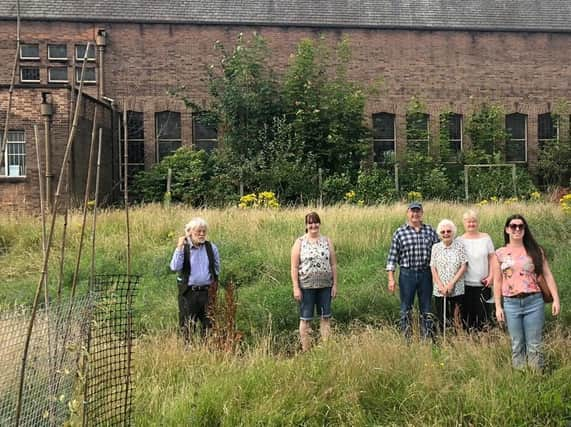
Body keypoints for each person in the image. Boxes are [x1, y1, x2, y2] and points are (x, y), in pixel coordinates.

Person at [492, 214, 561, 370]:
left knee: (534, 343)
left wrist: (556, 299)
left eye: (520, 226)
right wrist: (498, 306)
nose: (517, 229)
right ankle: (521, 378)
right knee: (517, 343)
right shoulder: (500, 253)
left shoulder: (535, 251)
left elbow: (548, 275)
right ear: (507, 229)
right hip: (511, 303)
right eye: (513, 226)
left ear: (524, 229)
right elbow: (497, 281)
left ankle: (536, 377)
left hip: (534, 302)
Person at [386, 202, 440, 339]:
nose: (415, 214)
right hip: (407, 275)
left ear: (422, 213)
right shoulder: (400, 232)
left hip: (426, 274)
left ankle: (427, 337)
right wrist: (391, 279)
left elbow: (439, 253)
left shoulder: (430, 231)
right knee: (406, 307)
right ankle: (407, 337)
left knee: (426, 307)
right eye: (412, 211)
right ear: (407, 213)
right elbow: (392, 257)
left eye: (418, 211)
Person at [291, 212, 338, 352]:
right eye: (310, 223)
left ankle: (326, 348)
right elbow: (293, 267)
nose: (313, 225)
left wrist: (335, 284)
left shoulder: (327, 241)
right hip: (306, 287)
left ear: (319, 224)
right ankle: (306, 350)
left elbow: (334, 264)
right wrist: (296, 288)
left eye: (316, 222)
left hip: (325, 286)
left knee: (325, 317)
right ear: (306, 225)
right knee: (306, 319)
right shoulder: (299, 242)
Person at [170, 217, 220, 342]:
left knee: (209, 325)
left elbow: (217, 268)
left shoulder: (211, 247)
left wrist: (213, 285)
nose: (202, 234)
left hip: (207, 293)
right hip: (188, 293)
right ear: (190, 232)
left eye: (204, 231)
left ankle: (207, 351)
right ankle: (188, 352)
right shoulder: (184, 248)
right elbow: (174, 267)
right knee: (187, 326)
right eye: (199, 231)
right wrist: (179, 247)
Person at [459, 209, 495, 331]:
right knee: (468, 315)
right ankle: (469, 341)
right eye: (468, 222)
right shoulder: (460, 240)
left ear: (477, 222)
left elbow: (492, 258)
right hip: (466, 284)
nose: (471, 224)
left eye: (473, 221)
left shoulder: (486, 238)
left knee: (483, 314)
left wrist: (491, 276)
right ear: (464, 223)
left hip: (484, 283)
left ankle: (484, 340)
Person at [430, 219, 467, 335]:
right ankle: (443, 341)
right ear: (439, 234)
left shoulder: (460, 246)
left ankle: (457, 341)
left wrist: (451, 284)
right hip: (440, 289)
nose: (446, 234)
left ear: (453, 232)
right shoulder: (435, 247)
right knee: (442, 317)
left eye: (449, 231)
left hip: (457, 288)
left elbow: (464, 266)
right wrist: (440, 285)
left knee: (457, 317)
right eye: (443, 232)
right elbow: (433, 267)